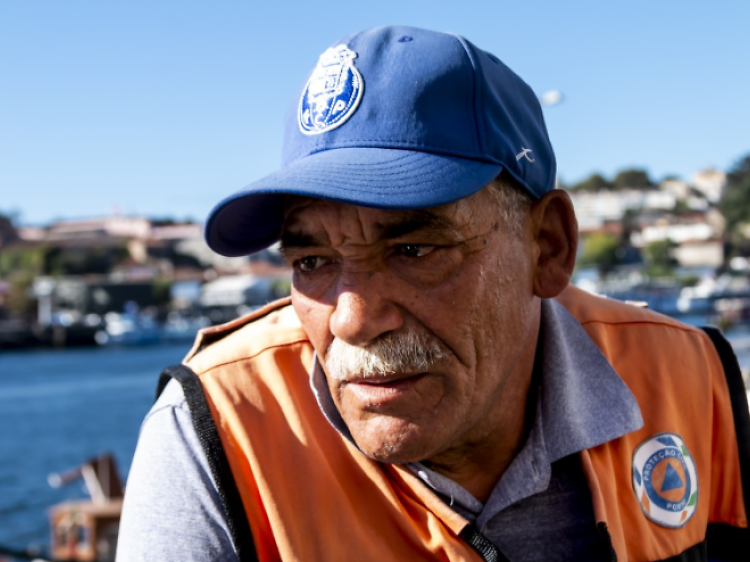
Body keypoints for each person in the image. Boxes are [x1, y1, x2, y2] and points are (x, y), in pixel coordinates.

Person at [117, 25, 750, 562]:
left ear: (547, 247)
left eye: (414, 250)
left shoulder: (692, 380)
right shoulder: (218, 431)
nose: (353, 320)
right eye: (311, 260)